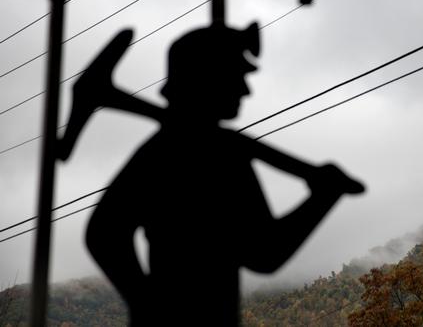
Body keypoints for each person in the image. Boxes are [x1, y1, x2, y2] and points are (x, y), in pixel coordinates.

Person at [81, 24, 364, 325]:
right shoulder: (211, 155)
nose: (246, 89)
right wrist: (323, 197)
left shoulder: (185, 150)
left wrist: (144, 300)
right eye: (237, 75)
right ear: (208, 77)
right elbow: (265, 253)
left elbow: (104, 232)